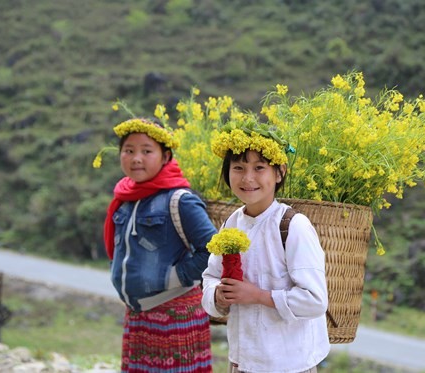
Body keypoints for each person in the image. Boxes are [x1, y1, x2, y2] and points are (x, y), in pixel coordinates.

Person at [201, 119, 330, 373]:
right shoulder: (231, 223)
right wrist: (217, 295)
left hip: (290, 365)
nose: (248, 178)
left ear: (279, 172)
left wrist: (258, 296)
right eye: (238, 167)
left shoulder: (293, 226)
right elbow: (210, 277)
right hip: (241, 362)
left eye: (259, 167)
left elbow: (315, 301)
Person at [98, 113, 217, 372]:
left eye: (146, 150)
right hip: (138, 316)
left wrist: (175, 276)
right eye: (128, 150)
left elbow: (212, 250)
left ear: (165, 157)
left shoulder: (180, 200)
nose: (136, 158)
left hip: (176, 316)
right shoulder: (125, 198)